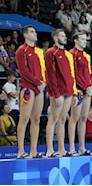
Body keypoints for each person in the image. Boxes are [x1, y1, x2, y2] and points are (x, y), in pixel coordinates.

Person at [45, 29, 77, 158]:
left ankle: (62, 148)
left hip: (68, 90)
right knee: (53, 118)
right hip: (58, 92)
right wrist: (56, 94)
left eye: (65, 36)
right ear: (55, 38)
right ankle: (49, 149)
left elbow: (71, 74)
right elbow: (51, 75)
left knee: (62, 120)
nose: (65, 38)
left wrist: (74, 93)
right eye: (62, 36)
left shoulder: (67, 54)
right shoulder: (51, 53)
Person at [16, 25, 47, 158]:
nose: (35, 34)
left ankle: (33, 150)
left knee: (36, 119)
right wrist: (38, 82)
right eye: (32, 32)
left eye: (35, 31)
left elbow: (43, 68)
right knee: (24, 118)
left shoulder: (39, 51)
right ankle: (21, 151)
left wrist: (44, 82)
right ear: (25, 35)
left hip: (39, 87)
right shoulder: (21, 50)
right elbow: (23, 71)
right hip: (28, 87)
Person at [68, 32, 92, 156]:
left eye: (86, 39)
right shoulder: (72, 54)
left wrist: (91, 86)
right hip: (78, 90)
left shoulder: (86, 55)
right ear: (76, 40)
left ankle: (82, 147)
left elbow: (89, 73)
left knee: (84, 118)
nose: (85, 41)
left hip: (86, 90)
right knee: (74, 118)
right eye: (82, 39)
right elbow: (72, 74)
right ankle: (72, 147)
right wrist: (84, 87)